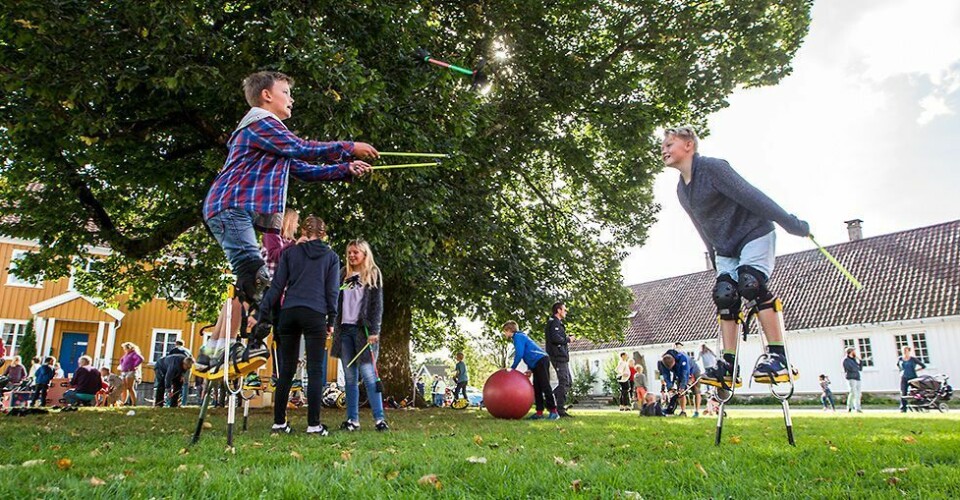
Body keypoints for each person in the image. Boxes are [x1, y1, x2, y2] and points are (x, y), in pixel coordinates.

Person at [202, 70, 376, 318]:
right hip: (229, 207)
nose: (291, 99)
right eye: (285, 92)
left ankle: (247, 338)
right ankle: (234, 342)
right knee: (254, 276)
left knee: (255, 278)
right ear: (266, 95)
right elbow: (301, 147)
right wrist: (349, 147)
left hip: (231, 209)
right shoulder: (261, 123)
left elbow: (303, 170)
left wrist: (345, 168)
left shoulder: (270, 137)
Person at [662, 126, 809, 388]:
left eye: (669, 144)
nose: (664, 149)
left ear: (689, 145)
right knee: (725, 294)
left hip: (753, 233)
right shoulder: (682, 191)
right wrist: (715, 258)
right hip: (726, 248)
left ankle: (779, 357)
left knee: (749, 284)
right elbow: (701, 226)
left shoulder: (713, 169)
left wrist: (789, 222)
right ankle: (729, 366)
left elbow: (751, 194)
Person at [251, 215, 339, 435]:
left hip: (289, 312)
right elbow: (332, 292)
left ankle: (279, 423)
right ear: (324, 234)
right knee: (316, 369)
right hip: (315, 313)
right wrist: (331, 319)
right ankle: (313, 425)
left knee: (287, 370)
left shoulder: (290, 253)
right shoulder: (331, 257)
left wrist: (261, 314)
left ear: (303, 232)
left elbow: (277, 287)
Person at [330, 239, 388, 432]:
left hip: (363, 332)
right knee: (349, 378)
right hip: (344, 330)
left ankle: (380, 419)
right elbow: (336, 300)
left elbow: (376, 305)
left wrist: (374, 331)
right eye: (349, 253)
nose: (352, 256)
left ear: (364, 254)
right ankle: (352, 420)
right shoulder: (343, 275)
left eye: (356, 252)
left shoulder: (372, 274)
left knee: (369, 376)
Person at [502, 321, 559, 420]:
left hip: (541, 360)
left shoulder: (518, 337)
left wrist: (512, 368)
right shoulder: (518, 337)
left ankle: (554, 412)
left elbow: (519, 354)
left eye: (505, 331)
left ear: (510, 330)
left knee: (545, 385)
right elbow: (527, 354)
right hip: (536, 363)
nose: (504, 334)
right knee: (536, 387)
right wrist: (530, 369)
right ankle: (539, 413)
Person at [545, 301, 573, 417]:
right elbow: (556, 339)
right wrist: (568, 339)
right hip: (558, 356)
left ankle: (554, 403)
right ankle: (559, 409)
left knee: (568, 382)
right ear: (558, 310)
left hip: (562, 356)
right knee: (563, 382)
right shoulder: (553, 323)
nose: (565, 312)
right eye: (564, 310)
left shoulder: (558, 323)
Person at [658, 349, 691, 417]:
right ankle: (671, 409)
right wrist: (670, 387)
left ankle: (683, 411)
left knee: (682, 392)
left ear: (674, 361)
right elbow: (666, 376)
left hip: (690, 369)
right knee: (676, 393)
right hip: (677, 372)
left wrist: (682, 387)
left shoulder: (682, 358)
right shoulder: (663, 362)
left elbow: (684, 375)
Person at [897, 346, 926, 413]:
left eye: (906, 350)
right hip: (904, 377)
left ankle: (918, 406)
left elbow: (923, 366)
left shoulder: (913, 359)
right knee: (903, 392)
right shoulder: (900, 359)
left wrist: (916, 370)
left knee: (916, 392)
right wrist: (901, 372)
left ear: (909, 351)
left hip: (913, 377)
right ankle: (903, 408)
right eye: (903, 350)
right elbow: (899, 366)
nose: (904, 352)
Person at [842, 347, 863, 413]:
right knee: (853, 393)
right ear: (850, 352)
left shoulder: (854, 360)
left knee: (858, 393)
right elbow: (850, 369)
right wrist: (856, 368)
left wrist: (860, 361)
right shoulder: (846, 360)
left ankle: (856, 408)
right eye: (854, 351)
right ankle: (852, 407)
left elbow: (860, 368)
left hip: (857, 377)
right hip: (851, 377)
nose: (855, 352)